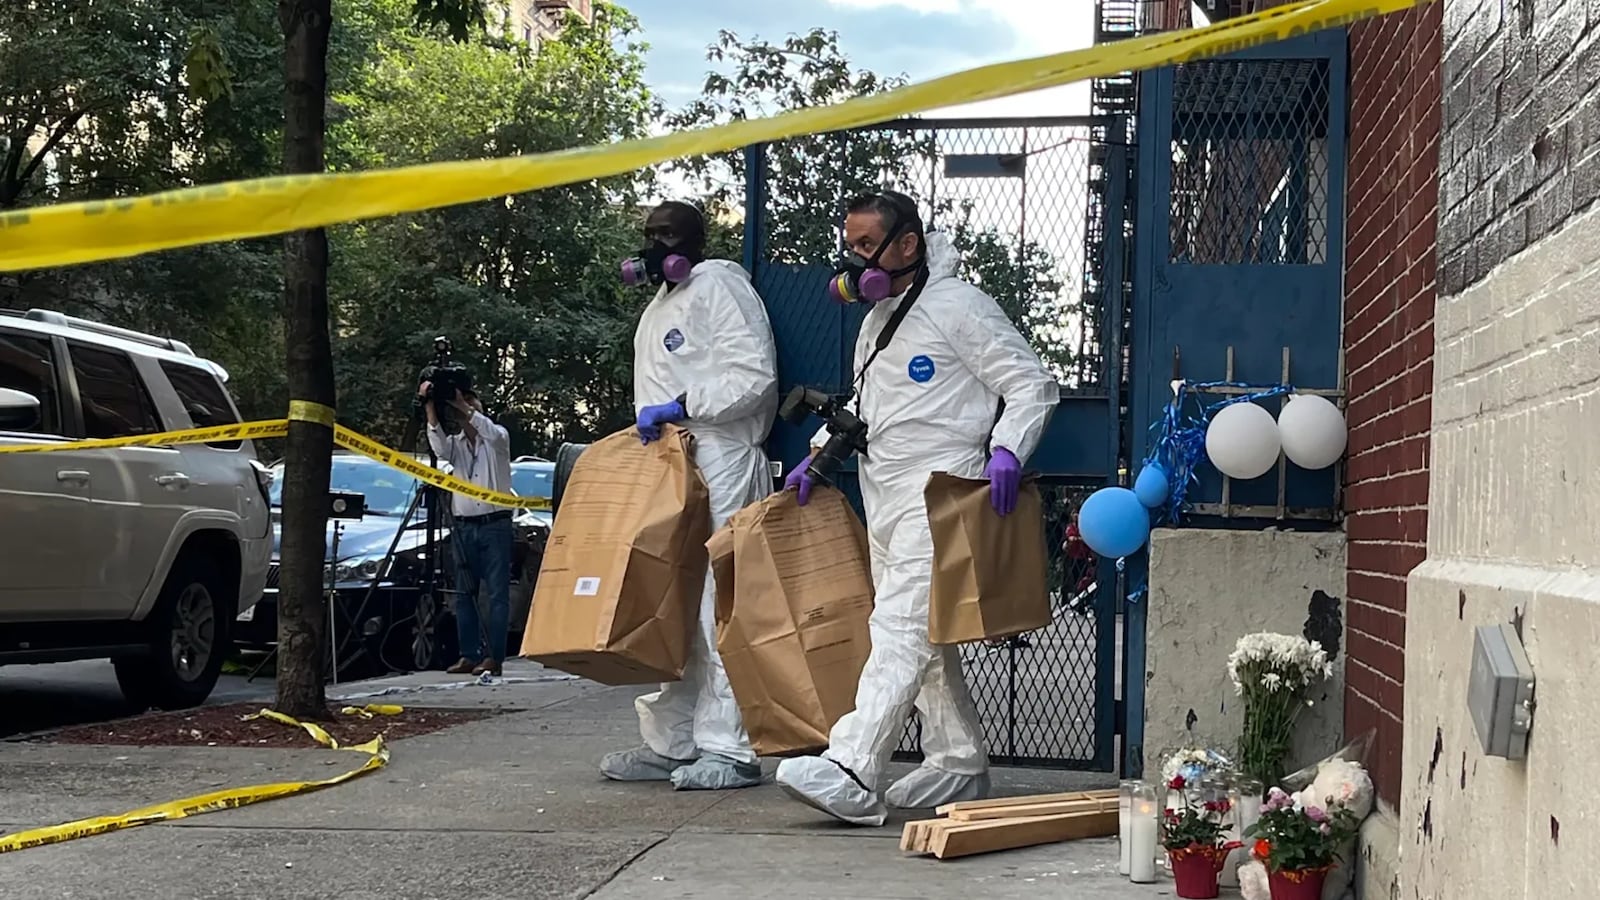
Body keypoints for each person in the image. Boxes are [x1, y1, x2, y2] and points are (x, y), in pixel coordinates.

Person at [774, 190, 1058, 825]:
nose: (854, 260)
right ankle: (958, 762)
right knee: (926, 634)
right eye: (850, 245)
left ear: (908, 244)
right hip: (885, 492)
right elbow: (871, 405)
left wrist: (1007, 448)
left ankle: (854, 765)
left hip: (942, 492)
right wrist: (818, 453)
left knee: (900, 628)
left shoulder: (958, 306)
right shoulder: (877, 319)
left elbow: (1030, 382)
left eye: (867, 245)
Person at [599, 200, 780, 792]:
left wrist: (683, 407)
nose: (655, 246)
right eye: (648, 235)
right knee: (675, 601)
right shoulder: (662, 305)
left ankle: (730, 748)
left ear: (696, 241)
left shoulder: (720, 288)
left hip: (720, 456)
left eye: (667, 235)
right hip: (673, 460)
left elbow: (754, 378)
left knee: (717, 604)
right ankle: (672, 741)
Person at [419, 383, 514, 677]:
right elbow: (439, 446)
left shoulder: (497, 439)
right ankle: (469, 654)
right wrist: (430, 406)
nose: (465, 409)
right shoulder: (457, 445)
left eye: (472, 405)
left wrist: (464, 405)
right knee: (464, 594)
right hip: (464, 527)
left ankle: (494, 657)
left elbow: (488, 429)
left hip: (494, 525)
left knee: (496, 594)